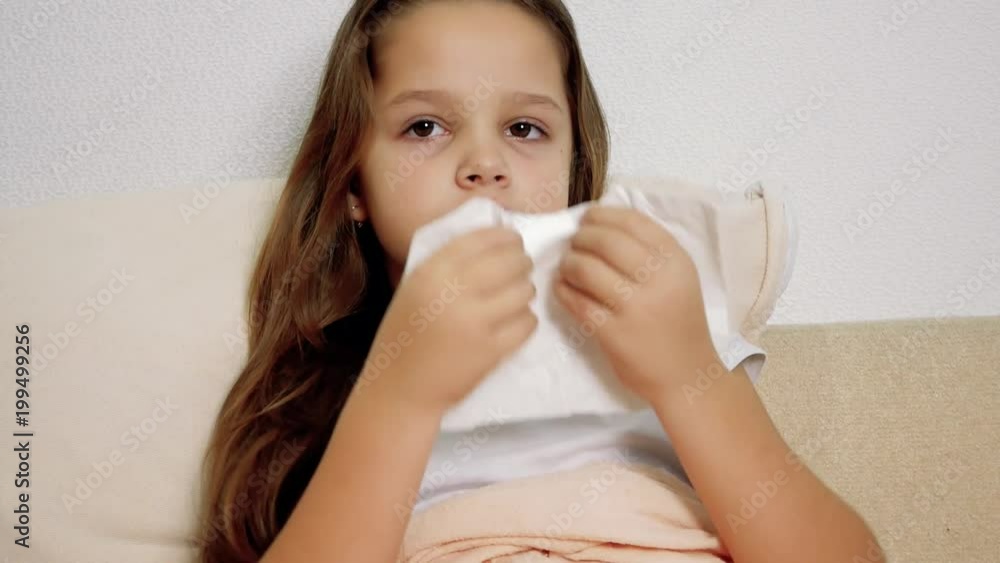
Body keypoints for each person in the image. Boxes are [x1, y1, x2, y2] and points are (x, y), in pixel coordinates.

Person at [197, 1, 881, 562]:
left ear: (574, 171)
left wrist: (688, 376)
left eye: (524, 128)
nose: (484, 163)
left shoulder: (663, 323)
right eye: (425, 126)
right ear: (354, 186)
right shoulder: (329, 390)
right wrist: (400, 394)